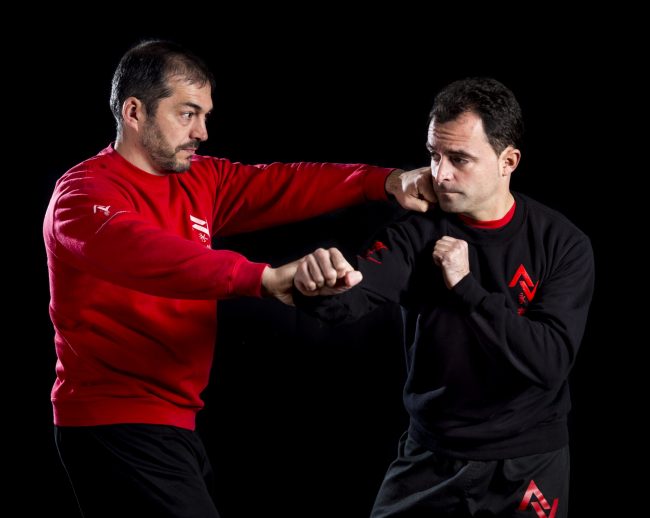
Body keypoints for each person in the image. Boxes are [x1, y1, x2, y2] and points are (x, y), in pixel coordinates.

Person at [43, 39, 436, 518]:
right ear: (134, 112)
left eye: (205, 115)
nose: (202, 131)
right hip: (112, 421)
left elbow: (284, 183)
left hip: (175, 420)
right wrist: (262, 279)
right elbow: (146, 253)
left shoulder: (200, 179)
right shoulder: (82, 194)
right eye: (187, 114)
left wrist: (385, 182)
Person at [288, 77, 595, 517]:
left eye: (459, 159)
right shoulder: (417, 230)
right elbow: (353, 296)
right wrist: (317, 288)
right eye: (434, 155)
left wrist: (466, 288)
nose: (440, 174)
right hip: (433, 453)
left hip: (526, 461)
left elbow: (548, 361)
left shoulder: (562, 243)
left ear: (508, 161)